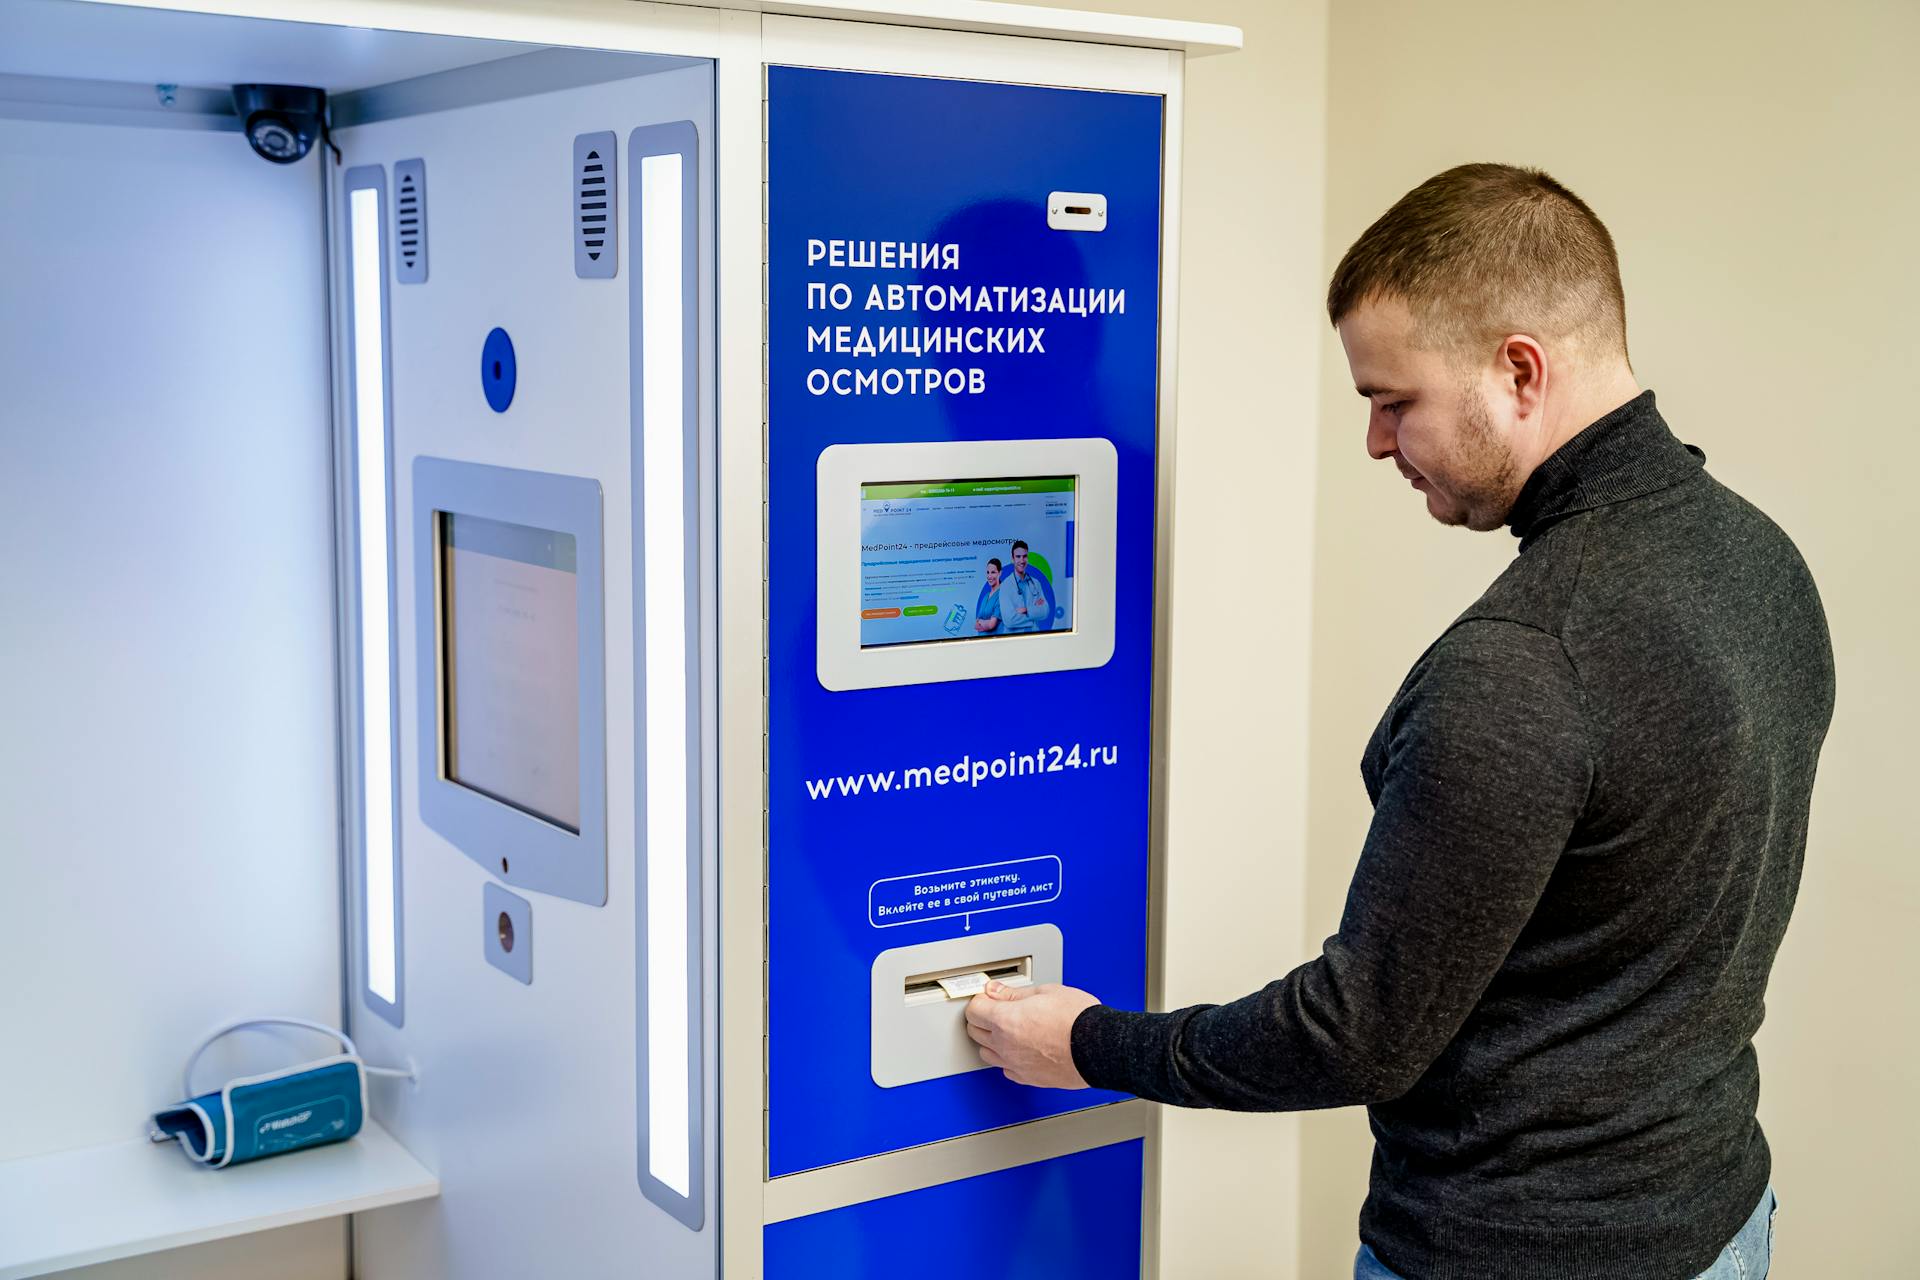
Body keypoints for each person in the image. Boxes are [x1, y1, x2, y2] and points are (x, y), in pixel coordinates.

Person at [964, 163, 1834, 1280]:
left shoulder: (1522, 664)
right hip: (1716, 1216)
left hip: (1512, 1254)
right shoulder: (1760, 559)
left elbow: (1356, 1029)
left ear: (1519, 369)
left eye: (1393, 399)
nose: (1376, 442)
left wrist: (1086, 1044)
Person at [998, 540, 1050, 633]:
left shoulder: (1035, 583)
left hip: (1035, 637)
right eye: (1018, 556)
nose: (1022, 560)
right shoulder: (1005, 586)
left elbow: (1045, 611)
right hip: (1013, 640)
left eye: (1024, 556)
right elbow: (1009, 620)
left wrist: (1026, 610)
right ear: (1012, 559)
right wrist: (1034, 615)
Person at [973, 557, 1004, 633]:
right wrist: (985, 624)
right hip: (981, 641)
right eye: (988, 572)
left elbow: (991, 624)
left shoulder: (1002, 595)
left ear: (1000, 573)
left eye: (993, 572)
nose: (989, 576)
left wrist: (983, 622)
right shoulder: (986, 596)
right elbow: (976, 625)